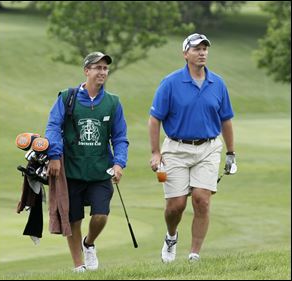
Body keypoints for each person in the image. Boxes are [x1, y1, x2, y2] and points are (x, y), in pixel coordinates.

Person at [148, 33, 237, 263]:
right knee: (175, 206)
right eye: (197, 49)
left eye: (205, 49)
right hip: (176, 149)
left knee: (202, 199)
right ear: (185, 54)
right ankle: (171, 236)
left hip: (208, 148)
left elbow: (226, 120)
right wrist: (155, 152)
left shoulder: (217, 83)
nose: (202, 53)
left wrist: (230, 152)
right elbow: (154, 119)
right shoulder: (170, 83)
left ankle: (194, 255)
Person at [45, 51, 129, 272]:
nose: (102, 72)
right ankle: (79, 266)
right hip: (71, 171)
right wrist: (54, 156)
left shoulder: (113, 102)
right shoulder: (67, 97)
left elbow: (120, 137)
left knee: (101, 215)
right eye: (97, 67)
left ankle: (89, 243)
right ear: (86, 71)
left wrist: (119, 163)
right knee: (73, 219)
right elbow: (53, 127)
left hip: (101, 171)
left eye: (105, 68)